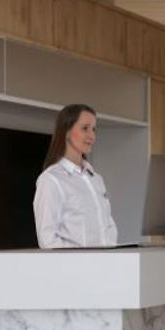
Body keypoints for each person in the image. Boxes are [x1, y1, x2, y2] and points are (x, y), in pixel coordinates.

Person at [33, 103, 119, 249]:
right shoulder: (51, 180)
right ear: (66, 131)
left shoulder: (96, 179)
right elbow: (47, 240)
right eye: (85, 128)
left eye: (94, 129)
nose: (92, 136)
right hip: (76, 264)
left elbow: (109, 226)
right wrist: (80, 260)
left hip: (107, 261)